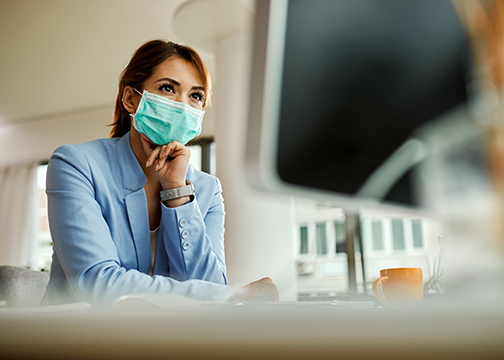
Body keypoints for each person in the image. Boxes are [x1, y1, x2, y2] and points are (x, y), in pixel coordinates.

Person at [42, 39, 278, 305]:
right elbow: (97, 285)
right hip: (77, 339)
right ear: (131, 99)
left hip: (170, 341)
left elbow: (209, 285)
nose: (182, 106)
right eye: (168, 88)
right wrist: (228, 295)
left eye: (196, 96)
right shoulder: (75, 164)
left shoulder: (207, 190)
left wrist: (177, 191)